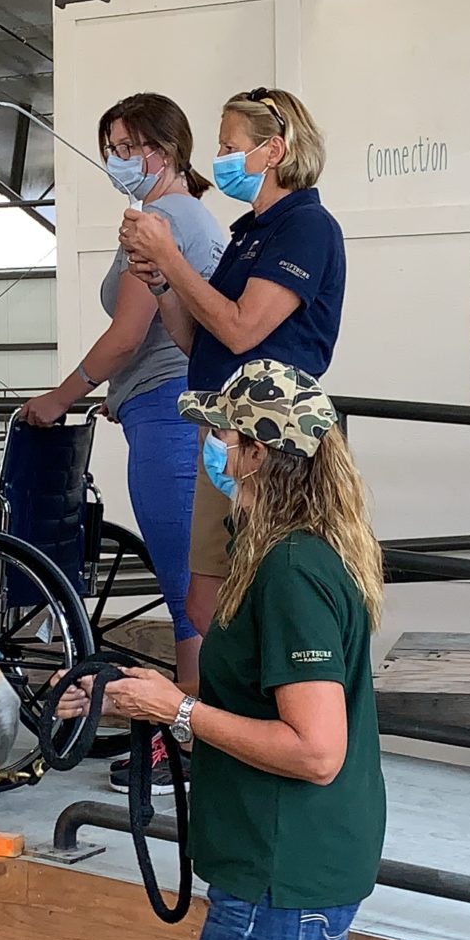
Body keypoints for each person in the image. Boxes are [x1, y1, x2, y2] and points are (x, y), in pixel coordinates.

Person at [58, 360, 385, 940]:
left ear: (258, 453)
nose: (208, 445)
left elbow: (316, 749)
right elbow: (251, 706)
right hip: (310, 872)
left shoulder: (292, 570)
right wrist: (142, 698)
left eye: (220, 433)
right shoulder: (288, 552)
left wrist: (178, 713)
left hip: (278, 881)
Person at [20, 93, 227, 791]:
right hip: (161, 406)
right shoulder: (190, 215)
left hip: (171, 418)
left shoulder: (163, 219)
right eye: (108, 144)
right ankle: (193, 732)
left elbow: (129, 334)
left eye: (124, 146)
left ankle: (191, 742)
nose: (113, 160)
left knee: (186, 588)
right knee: (194, 581)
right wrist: (122, 393)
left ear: (161, 154)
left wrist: (59, 397)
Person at [120, 87, 345, 698]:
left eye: (228, 146)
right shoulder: (250, 232)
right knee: (204, 593)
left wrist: (172, 253)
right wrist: (162, 280)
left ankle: (245, 721)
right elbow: (202, 340)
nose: (218, 158)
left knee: (262, 582)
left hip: (269, 435)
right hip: (223, 424)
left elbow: (243, 327)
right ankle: (210, 722)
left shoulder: (306, 228)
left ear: (273, 151)